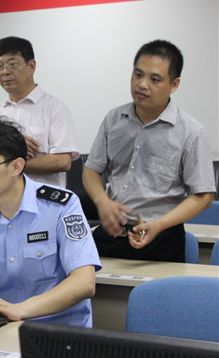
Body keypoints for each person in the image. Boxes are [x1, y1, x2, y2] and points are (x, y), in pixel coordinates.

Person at [83, 39, 216, 262]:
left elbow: (203, 196)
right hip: (111, 232)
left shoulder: (190, 132)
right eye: (138, 75)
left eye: (155, 79)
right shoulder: (113, 120)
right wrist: (102, 202)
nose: (142, 85)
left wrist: (160, 224)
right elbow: (91, 170)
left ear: (174, 84)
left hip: (161, 237)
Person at [0, 119, 100, 327]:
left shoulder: (61, 205)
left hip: (56, 331)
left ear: (16, 166)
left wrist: (20, 310)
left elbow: (84, 282)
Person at [0, 36, 79, 187]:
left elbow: (62, 161)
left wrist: (9, 165)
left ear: (31, 66)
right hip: (2, 198)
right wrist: (13, 144)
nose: (5, 72)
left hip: (43, 198)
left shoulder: (55, 108)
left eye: (12, 64)